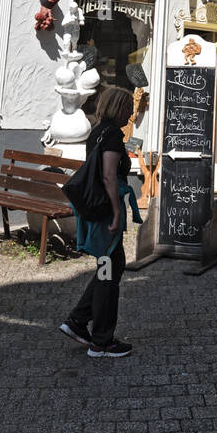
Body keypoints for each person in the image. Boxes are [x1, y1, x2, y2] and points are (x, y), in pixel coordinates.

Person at [60, 86, 137, 357]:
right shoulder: (113, 135)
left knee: (109, 266)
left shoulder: (97, 131)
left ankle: (78, 321)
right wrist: (117, 212)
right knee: (109, 271)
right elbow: (108, 176)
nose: (131, 113)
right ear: (117, 108)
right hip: (105, 211)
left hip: (94, 209)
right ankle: (102, 341)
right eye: (128, 107)